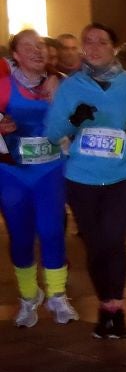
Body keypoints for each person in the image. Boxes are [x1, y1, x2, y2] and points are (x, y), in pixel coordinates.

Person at [45, 23, 126, 339]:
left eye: (101, 41)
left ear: (114, 47)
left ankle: (117, 305)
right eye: (88, 42)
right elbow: (53, 133)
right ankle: (106, 306)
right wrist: (74, 121)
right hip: (82, 176)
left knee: (113, 238)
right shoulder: (72, 86)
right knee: (96, 245)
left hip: (125, 173)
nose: (94, 47)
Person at [1, 31, 75, 327]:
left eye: (41, 45)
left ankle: (57, 294)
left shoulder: (61, 84)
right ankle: (29, 296)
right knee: (20, 236)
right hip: (12, 173)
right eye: (28, 46)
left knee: (51, 230)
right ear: (15, 55)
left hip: (50, 169)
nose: (37, 51)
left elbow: (81, 117)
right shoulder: (4, 87)